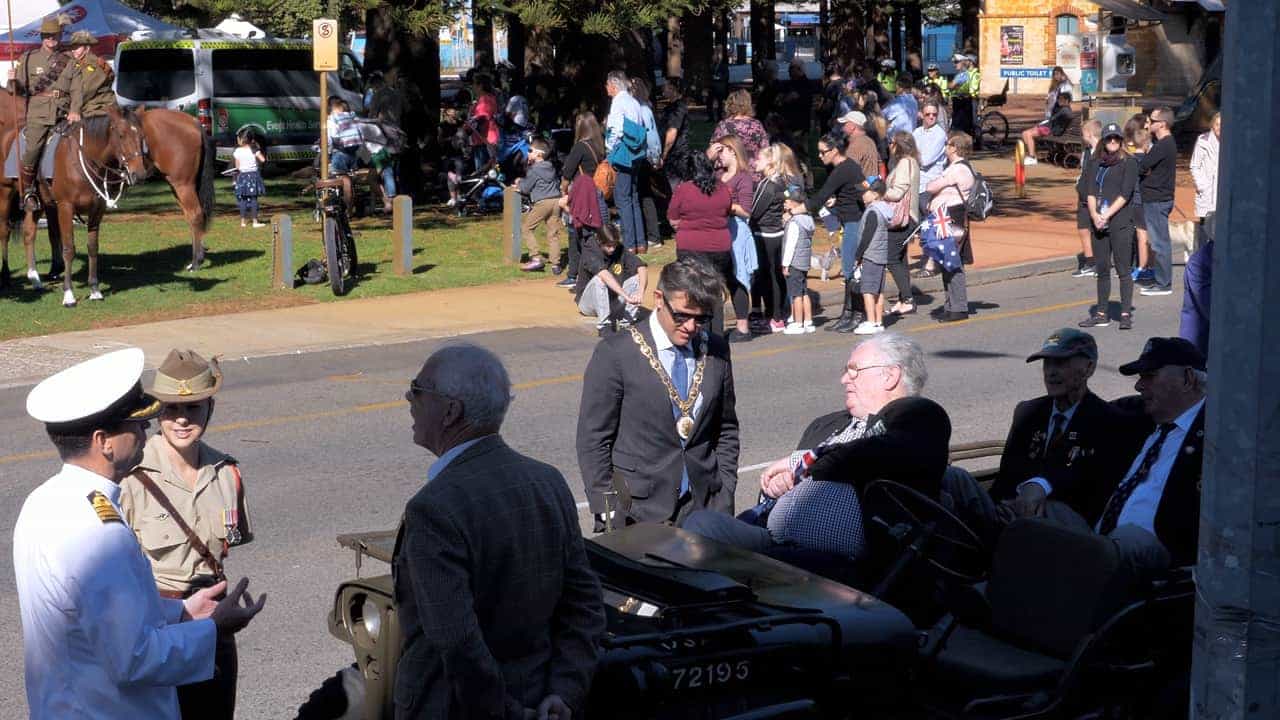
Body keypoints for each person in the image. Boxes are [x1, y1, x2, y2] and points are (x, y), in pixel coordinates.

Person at [16, 348, 264, 718]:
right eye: (135, 424)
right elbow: (135, 658)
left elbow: (95, 613)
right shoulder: (100, 534)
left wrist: (180, 610)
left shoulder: (45, 502)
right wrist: (212, 629)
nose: (145, 431)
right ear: (104, 442)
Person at [396, 344, 605, 719]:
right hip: (543, 697)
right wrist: (565, 691)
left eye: (418, 388)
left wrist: (509, 714)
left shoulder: (433, 509)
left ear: (450, 411)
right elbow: (584, 606)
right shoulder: (548, 482)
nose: (409, 398)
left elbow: (457, 643)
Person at [684, 333, 950, 561]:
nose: (845, 379)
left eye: (854, 370)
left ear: (890, 376)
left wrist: (799, 463)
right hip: (772, 538)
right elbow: (796, 483)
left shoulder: (917, 416)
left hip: (836, 565)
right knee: (695, 529)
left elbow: (869, 456)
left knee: (702, 541)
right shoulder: (827, 425)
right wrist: (780, 485)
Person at [118, 350, 253, 720]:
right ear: (157, 412)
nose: (182, 419)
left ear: (210, 408)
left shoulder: (227, 473)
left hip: (214, 624)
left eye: (193, 408)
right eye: (170, 409)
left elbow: (231, 541)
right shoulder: (131, 477)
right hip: (161, 625)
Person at [576, 257, 740, 529]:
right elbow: (593, 439)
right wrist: (607, 509)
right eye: (681, 315)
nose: (690, 326)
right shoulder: (616, 353)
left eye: (702, 318)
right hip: (634, 512)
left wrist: (725, 491)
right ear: (658, 299)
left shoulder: (717, 350)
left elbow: (726, 428)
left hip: (704, 507)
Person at [1058, 338, 1208, 573]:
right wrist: (1039, 485)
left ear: (1187, 379)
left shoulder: (1217, 434)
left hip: (1161, 558)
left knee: (1127, 538)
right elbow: (1088, 415)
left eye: (1149, 376)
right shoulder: (1137, 416)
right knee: (1040, 515)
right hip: (1097, 540)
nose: (1139, 386)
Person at [988, 329, 1136, 527]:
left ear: (1089, 368)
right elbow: (1005, 477)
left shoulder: (1110, 421)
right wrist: (1002, 506)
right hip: (1009, 517)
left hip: (1066, 529)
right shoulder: (1028, 412)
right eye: (1047, 363)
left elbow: (1092, 487)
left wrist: (1041, 487)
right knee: (957, 480)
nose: (1051, 372)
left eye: (1061, 363)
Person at [668, 151, 737, 336]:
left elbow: (673, 218)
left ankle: (700, 334)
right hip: (719, 248)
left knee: (694, 292)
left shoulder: (684, 189)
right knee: (715, 292)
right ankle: (716, 334)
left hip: (691, 247)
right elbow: (728, 210)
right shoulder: (722, 188)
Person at [1079, 123, 1138, 331]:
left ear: (1121, 141)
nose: (1113, 142)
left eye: (1116, 139)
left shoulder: (1128, 163)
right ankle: (1102, 312)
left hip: (1120, 221)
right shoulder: (1096, 162)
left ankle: (1124, 313)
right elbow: (1090, 191)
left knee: (1123, 269)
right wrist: (1095, 215)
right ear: (1103, 141)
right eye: (1109, 139)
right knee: (1102, 269)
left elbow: (1126, 193)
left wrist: (1106, 214)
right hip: (1099, 223)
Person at [10, 15, 72, 212]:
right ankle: (28, 191)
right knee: (34, 148)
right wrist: (13, 81)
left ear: (60, 36)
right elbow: (17, 90)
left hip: (65, 110)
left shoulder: (68, 59)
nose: (51, 39)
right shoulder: (28, 59)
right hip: (39, 113)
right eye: (47, 36)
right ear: (42, 37)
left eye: (54, 36)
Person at [809, 133, 867, 333]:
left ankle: (857, 314)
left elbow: (821, 196)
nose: (819, 155)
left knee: (850, 270)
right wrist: (839, 201)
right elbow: (853, 191)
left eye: (823, 151)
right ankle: (847, 313)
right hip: (850, 220)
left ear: (834, 151)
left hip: (854, 222)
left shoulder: (843, 169)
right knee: (849, 269)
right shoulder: (846, 167)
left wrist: (800, 207)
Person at [924, 131, 977, 321]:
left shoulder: (959, 169)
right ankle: (951, 305)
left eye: (948, 144)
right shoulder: (954, 167)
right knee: (947, 262)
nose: (946, 147)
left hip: (952, 218)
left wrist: (935, 184)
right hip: (945, 218)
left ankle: (959, 308)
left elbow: (931, 186)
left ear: (954, 147)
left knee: (953, 263)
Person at [709, 135, 757, 343]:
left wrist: (725, 205)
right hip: (718, 230)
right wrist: (708, 157)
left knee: (736, 278)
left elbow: (746, 211)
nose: (718, 156)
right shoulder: (717, 174)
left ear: (733, 151)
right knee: (719, 277)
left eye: (722, 151)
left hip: (736, 231)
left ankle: (743, 327)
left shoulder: (744, 177)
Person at [750, 144, 800, 333]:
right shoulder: (780, 182)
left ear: (770, 162)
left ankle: (775, 316)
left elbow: (755, 212)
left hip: (765, 235)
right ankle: (776, 315)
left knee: (768, 276)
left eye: (760, 159)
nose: (756, 161)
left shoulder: (768, 184)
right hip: (777, 233)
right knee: (774, 275)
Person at [558, 111, 609, 288]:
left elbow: (567, 172)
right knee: (597, 232)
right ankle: (599, 269)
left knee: (575, 233)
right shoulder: (599, 145)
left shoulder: (580, 147)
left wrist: (563, 191)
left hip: (581, 195)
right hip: (598, 193)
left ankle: (574, 274)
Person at [575, 223, 647, 335]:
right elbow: (604, 274)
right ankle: (604, 326)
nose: (612, 249)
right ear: (599, 241)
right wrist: (625, 296)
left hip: (612, 301)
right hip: (589, 305)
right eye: (608, 246)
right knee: (600, 279)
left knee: (637, 278)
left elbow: (641, 267)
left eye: (614, 245)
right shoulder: (589, 250)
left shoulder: (619, 248)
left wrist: (641, 292)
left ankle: (627, 323)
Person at [604, 70, 648, 253]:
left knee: (622, 199)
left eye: (607, 85)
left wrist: (609, 148)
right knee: (634, 197)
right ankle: (640, 242)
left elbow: (615, 129)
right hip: (637, 154)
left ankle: (629, 244)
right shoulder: (634, 102)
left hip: (623, 155)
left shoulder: (618, 103)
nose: (606, 88)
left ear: (613, 86)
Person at [1138, 107, 1178, 297]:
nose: (1148, 124)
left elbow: (1143, 165)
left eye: (1152, 121)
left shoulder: (1164, 144)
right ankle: (1160, 278)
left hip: (1157, 199)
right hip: (1156, 197)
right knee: (1158, 241)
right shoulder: (1163, 143)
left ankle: (1164, 283)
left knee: (1160, 243)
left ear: (1162, 124)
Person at [884, 131, 921, 316]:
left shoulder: (905, 162)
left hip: (904, 218)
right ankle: (902, 299)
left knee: (891, 257)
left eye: (891, 142)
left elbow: (898, 192)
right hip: (907, 218)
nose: (889, 146)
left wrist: (880, 192)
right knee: (900, 259)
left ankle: (907, 298)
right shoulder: (908, 162)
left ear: (898, 144)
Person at [515, 138, 564, 273]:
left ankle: (536, 258)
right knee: (553, 233)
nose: (528, 153)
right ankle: (556, 264)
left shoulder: (534, 170)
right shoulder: (551, 167)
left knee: (526, 228)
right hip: (556, 202)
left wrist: (518, 184)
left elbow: (525, 188)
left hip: (542, 202)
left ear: (539, 154)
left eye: (530, 151)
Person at [851, 179, 893, 335]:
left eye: (864, 192)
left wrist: (858, 255)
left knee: (868, 290)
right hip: (881, 255)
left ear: (875, 194)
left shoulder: (873, 212)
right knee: (878, 291)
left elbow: (867, 236)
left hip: (871, 255)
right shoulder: (883, 210)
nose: (861, 195)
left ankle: (870, 321)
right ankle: (877, 321)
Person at [781, 185, 815, 334]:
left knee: (795, 294)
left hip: (794, 262)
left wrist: (785, 264)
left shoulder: (794, 222)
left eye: (787, 201)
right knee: (804, 292)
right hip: (804, 261)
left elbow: (790, 246)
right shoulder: (808, 220)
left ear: (795, 203)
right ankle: (808, 321)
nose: (784, 203)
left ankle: (798, 322)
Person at [1071, 119, 1103, 278]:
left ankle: (1100, 261)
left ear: (1089, 134)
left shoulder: (1103, 152)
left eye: (1083, 133)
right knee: (1083, 228)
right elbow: (1083, 170)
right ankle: (1090, 262)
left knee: (1098, 230)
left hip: (1096, 196)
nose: (1082, 136)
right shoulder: (1087, 151)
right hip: (1083, 195)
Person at [713, 89, 770, 176]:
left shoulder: (723, 125)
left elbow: (714, 150)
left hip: (730, 173)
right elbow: (766, 148)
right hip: (753, 172)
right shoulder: (757, 125)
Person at [65, 31, 115, 123]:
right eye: (72, 47)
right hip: (86, 107)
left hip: (98, 109)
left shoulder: (94, 66)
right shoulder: (77, 63)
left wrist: (68, 105)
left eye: (77, 47)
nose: (73, 50)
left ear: (87, 49)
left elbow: (85, 91)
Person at [1190, 111, 1220, 245]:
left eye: (1223, 125)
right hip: (1206, 192)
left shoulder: (1231, 143)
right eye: (1217, 124)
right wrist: (1202, 186)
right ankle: (1201, 259)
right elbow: (1194, 166)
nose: (1220, 128)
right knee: (1205, 230)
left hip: (1221, 192)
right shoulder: (1203, 141)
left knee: (1219, 229)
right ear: (1212, 126)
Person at [912, 102, 947, 218]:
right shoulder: (917, 132)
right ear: (921, 115)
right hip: (915, 185)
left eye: (934, 114)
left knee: (930, 222)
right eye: (928, 114)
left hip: (930, 187)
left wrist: (913, 156)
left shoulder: (939, 135)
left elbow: (925, 161)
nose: (931, 117)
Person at [1021, 90, 1075, 166]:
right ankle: (1031, 155)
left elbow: (1054, 119)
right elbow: (1052, 119)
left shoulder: (1065, 110)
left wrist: (1041, 125)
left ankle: (1032, 157)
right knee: (1025, 133)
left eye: (1060, 99)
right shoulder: (1062, 109)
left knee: (1028, 134)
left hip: (1051, 131)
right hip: (1049, 128)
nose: (1058, 100)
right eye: (1058, 98)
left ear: (1067, 100)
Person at [232, 130, 267, 229]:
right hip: (253, 176)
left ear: (241, 139)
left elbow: (237, 166)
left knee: (242, 199)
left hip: (242, 176)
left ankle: (243, 222)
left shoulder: (237, 151)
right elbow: (263, 160)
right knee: (253, 199)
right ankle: (255, 221)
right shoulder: (254, 149)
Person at [466, 73, 500, 171]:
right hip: (487, 140)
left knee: (483, 173)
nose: (472, 86)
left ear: (480, 86)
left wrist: (468, 127)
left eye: (473, 84)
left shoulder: (485, 99)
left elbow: (482, 117)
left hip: (484, 142)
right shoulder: (489, 97)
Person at [838, 110, 881, 179]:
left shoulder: (857, 144)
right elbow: (880, 164)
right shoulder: (869, 141)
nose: (842, 128)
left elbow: (845, 171)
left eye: (845, 124)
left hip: (860, 187)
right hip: (869, 185)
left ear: (852, 127)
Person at [326, 97, 362, 175]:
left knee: (340, 177)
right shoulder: (352, 117)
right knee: (350, 177)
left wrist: (328, 152)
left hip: (340, 153)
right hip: (353, 153)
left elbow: (330, 138)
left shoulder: (332, 120)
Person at [883, 73, 918, 137]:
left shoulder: (898, 102)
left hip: (897, 140)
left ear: (899, 87)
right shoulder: (914, 101)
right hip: (910, 138)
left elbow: (882, 115)